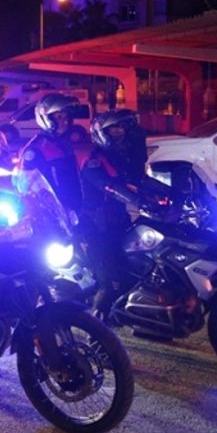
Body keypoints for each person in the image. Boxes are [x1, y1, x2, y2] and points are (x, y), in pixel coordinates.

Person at [78, 109, 151, 316]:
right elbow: (109, 186)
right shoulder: (94, 160)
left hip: (118, 220)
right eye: (114, 129)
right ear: (102, 133)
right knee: (109, 280)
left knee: (135, 268)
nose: (120, 133)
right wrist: (139, 201)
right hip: (97, 227)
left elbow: (140, 181)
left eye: (123, 128)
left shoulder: (120, 158)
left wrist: (175, 195)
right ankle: (97, 321)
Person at [20, 94, 88, 216]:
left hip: (74, 209)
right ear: (45, 118)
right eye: (59, 116)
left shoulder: (63, 142)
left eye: (66, 116)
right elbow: (27, 186)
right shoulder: (36, 149)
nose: (65, 121)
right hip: (54, 214)